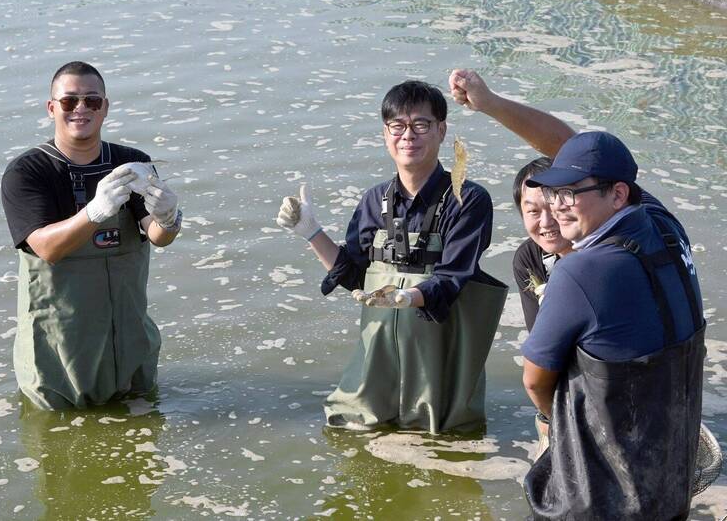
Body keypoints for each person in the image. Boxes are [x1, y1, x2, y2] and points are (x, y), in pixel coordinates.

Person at [276, 75, 569, 433]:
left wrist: (406, 296)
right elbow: (355, 277)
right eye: (397, 126)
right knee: (350, 431)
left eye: (420, 125)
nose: (408, 136)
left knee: (446, 441)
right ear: (385, 134)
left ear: (442, 131)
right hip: (378, 366)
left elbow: (451, 280)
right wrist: (312, 233)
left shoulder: (468, 199)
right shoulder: (374, 200)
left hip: (440, 363)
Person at [520, 131, 705, 519]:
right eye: (553, 193)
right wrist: (491, 104)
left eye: (570, 194)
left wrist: (558, 428)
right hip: (669, 484)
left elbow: (535, 380)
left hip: (597, 498)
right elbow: (571, 146)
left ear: (618, 194)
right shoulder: (665, 226)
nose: (556, 208)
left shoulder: (581, 270)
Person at [1, 61, 182, 410]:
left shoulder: (133, 164)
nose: (81, 109)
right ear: (52, 108)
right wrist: (94, 212)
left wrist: (169, 218)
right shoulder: (27, 173)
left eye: (92, 101)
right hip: (58, 358)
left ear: (106, 107)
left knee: (145, 449)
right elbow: (46, 248)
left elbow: (157, 237)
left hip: (131, 349)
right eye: (69, 102)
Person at [511, 157, 573, 331]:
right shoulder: (529, 258)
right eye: (533, 211)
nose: (546, 222)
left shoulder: (607, 252)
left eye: (553, 207)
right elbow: (539, 337)